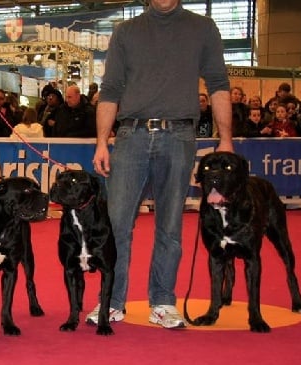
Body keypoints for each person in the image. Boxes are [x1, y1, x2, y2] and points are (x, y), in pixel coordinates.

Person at [91, 0, 233, 329]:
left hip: (180, 135)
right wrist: (101, 141)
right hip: (131, 134)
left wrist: (225, 139)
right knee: (117, 225)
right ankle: (111, 301)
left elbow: (218, 84)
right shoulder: (125, 31)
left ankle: (163, 301)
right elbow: (110, 89)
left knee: (170, 225)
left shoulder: (203, 28)